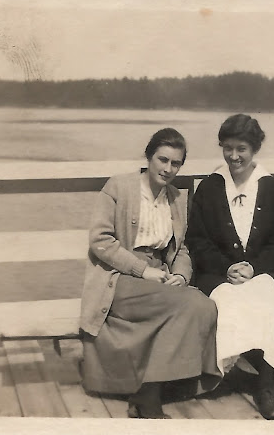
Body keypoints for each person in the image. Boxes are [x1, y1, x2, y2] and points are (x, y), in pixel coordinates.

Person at [79, 128, 222, 419]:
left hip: (159, 279)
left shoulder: (175, 198)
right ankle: (151, 393)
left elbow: (180, 250)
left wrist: (180, 276)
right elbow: (101, 241)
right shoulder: (119, 187)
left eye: (176, 163)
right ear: (149, 156)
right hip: (119, 278)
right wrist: (143, 271)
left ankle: (149, 390)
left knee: (204, 305)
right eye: (163, 160)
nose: (168, 169)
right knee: (191, 304)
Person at [185, 114, 274, 420]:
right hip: (219, 274)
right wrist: (227, 269)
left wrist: (253, 268)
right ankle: (269, 380)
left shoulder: (272, 189)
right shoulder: (209, 188)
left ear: (255, 149)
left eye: (242, 149)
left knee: (263, 299)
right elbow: (198, 240)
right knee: (231, 300)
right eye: (228, 147)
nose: (234, 156)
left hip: (262, 273)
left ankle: (263, 384)